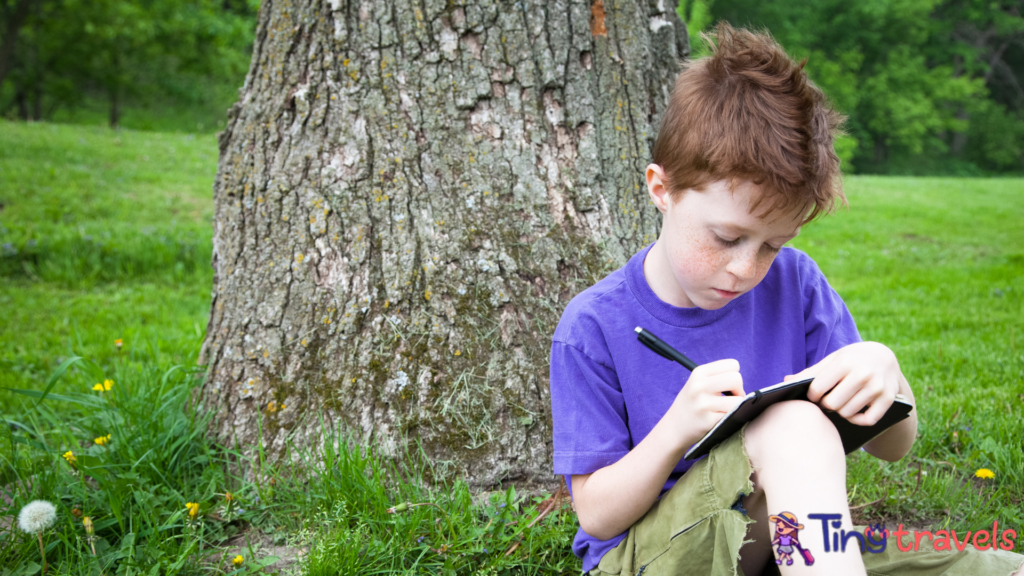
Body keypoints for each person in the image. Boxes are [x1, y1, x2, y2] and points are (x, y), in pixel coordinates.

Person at [548, 22, 1024, 576]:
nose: (745, 268)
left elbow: (891, 448)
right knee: (790, 425)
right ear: (662, 189)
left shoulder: (795, 285)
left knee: (994, 569)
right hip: (651, 560)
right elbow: (598, 517)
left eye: (772, 245)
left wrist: (886, 373)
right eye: (726, 238)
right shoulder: (593, 325)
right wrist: (676, 430)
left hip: (793, 544)